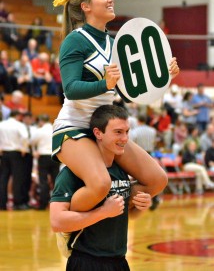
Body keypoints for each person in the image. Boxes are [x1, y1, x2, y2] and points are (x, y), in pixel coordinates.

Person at [52, 0, 180, 213]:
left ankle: (115, 218)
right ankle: (70, 226)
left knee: (157, 180)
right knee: (101, 184)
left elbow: (124, 91)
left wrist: (163, 73)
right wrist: (105, 83)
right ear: (86, 7)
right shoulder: (75, 40)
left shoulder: (115, 43)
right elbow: (70, 88)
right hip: (74, 127)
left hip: (105, 128)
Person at [50, 104, 152, 270]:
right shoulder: (72, 173)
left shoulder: (121, 171)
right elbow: (57, 222)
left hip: (119, 261)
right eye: (118, 132)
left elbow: (126, 215)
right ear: (98, 133)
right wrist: (102, 212)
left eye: (127, 132)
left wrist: (141, 207)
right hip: (86, 261)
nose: (125, 138)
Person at [0, 110, 29, 210]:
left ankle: (2, 204)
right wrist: (24, 148)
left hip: (4, 153)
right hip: (16, 153)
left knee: (3, 178)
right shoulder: (19, 125)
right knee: (17, 178)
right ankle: (18, 203)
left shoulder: (2, 124)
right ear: (17, 116)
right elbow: (25, 137)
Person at [31, 114, 60, 209]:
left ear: (40, 121)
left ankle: (43, 203)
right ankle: (58, 202)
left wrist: (35, 149)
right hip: (55, 156)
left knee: (43, 180)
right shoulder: (55, 129)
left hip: (43, 156)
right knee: (56, 179)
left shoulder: (39, 130)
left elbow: (32, 141)